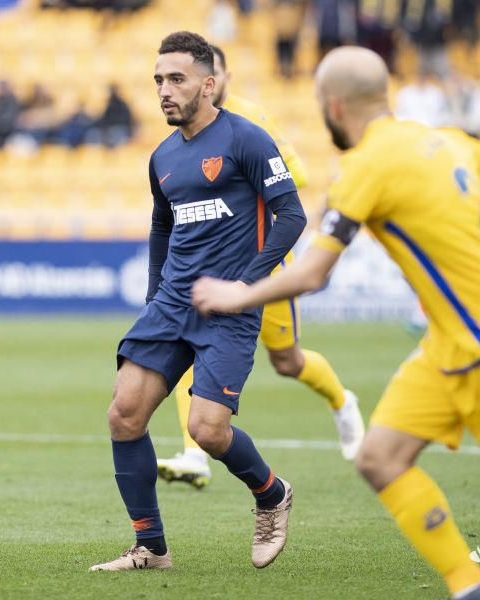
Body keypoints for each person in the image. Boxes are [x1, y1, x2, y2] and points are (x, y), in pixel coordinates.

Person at [191, 46, 480, 600]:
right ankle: (467, 585)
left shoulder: (364, 166)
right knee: (379, 457)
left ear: (333, 106)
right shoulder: (454, 141)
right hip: (447, 347)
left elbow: (313, 273)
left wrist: (237, 293)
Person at [90, 31, 307, 573]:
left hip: (230, 309)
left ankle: (271, 493)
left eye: (177, 79)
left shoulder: (248, 140)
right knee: (124, 414)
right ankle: (151, 547)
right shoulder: (162, 156)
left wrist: (249, 286)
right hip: (170, 305)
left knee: (207, 431)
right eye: (159, 80)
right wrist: (152, 296)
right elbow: (161, 228)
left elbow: (293, 216)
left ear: (208, 85)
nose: (164, 90)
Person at [157, 44, 364, 490]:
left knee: (287, 361)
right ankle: (196, 453)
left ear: (218, 79)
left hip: (262, 267)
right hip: (211, 272)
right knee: (189, 346)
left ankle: (342, 400)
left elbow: (299, 179)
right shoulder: (181, 137)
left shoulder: (252, 124)